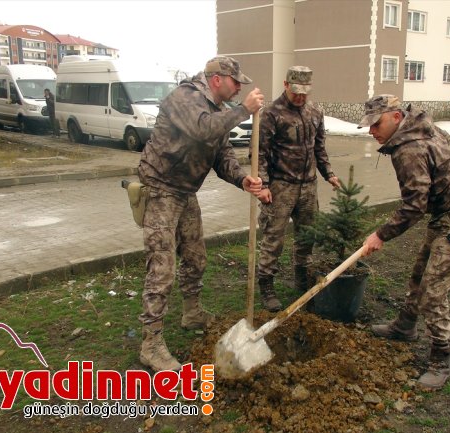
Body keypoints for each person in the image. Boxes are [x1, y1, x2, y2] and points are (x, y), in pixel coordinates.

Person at [137, 56, 265, 371]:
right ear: (218, 79)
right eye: (236, 82)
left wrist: (242, 178)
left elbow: (221, 155)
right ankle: (151, 345)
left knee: (196, 258)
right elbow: (202, 129)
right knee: (162, 269)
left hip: (185, 191)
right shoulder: (185, 97)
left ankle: (191, 313)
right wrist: (244, 110)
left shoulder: (219, 111)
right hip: (160, 190)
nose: (239, 87)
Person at [359, 95, 450, 390]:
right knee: (420, 271)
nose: (371, 131)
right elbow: (445, 141)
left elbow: (414, 206)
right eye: (368, 125)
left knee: (433, 290)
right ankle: (405, 326)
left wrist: (381, 235)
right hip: (448, 210)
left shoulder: (408, 149)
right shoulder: (419, 123)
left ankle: (441, 363)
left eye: (376, 123)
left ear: (395, 116)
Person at [255, 66, 340, 311]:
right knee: (273, 238)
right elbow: (259, 152)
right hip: (280, 187)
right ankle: (267, 286)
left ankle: (301, 279)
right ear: (286, 84)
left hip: (308, 187)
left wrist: (329, 174)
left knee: (306, 237)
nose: (300, 97)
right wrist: (263, 184)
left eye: (305, 93)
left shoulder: (315, 112)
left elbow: (319, 148)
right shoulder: (271, 114)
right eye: (296, 92)